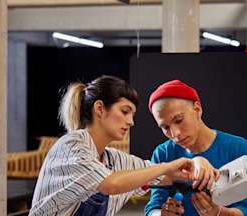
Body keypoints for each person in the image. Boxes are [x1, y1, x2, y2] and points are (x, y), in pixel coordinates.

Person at [29, 75, 216, 216]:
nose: (131, 122)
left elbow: (163, 176)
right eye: (125, 111)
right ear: (100, 108)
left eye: (132, 115)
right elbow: (112, 184)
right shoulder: (71, 146)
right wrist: (168, 166)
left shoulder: (114, 160)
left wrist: (199, 164)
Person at [145, 80, 247, 216]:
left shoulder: (237, 147)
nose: (175, 134)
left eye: (179, 120)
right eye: (165, 127)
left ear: (197, 109)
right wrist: (161, 214)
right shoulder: (163, 154)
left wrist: (220, 213)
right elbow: (153, 206)